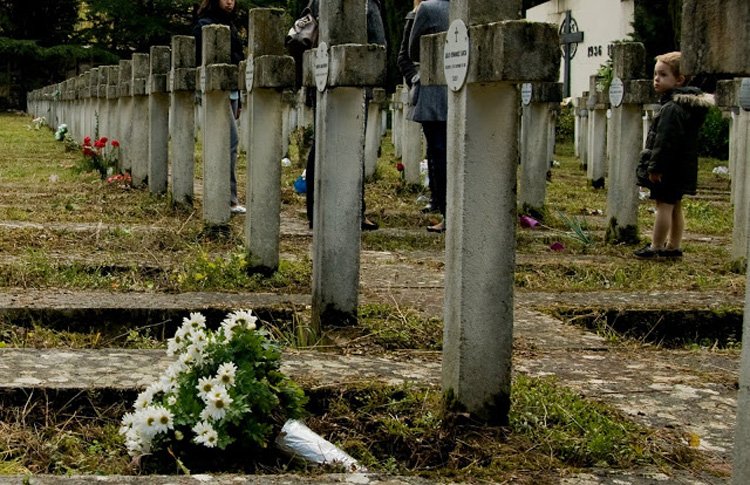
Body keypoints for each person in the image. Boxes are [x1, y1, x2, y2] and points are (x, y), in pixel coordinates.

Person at [301, 0, 385, 231]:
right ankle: (353, 211)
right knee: (351, 147)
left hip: (321, 78)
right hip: (353, 84)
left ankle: (315, 211)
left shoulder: (317, 1)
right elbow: (378, 46)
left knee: (321, 145)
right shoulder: (368, 3)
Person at [634, 51, 713, 259]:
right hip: (680, 167)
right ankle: (673, 247)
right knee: (675, 206)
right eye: (655, 75)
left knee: (664, 206)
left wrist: (656, 167)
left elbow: (665, 143)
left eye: (663, 74)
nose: (656, 79)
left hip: (668, 168)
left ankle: (657, 246)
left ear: (679, 80)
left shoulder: (671, 108)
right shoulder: (686, 106)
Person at [193, 0, 246, 214]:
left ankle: (228, 197)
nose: (230, 1)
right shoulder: (204, 25)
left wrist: (239, 98)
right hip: (216, 93)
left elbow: (238, 63)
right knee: (228, 141)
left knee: (229, 146)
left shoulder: (232, 26)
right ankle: (225, 198)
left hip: (232, 92)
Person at [409, 0, 449, 233]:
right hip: (470, 96)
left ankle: (447, 214)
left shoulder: (429, 9)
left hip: (436, 93)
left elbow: (415, 50)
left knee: (439, 157)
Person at [397, 0, 437, 215]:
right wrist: (417, 79)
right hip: (433, 93)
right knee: (436, 148)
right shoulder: (420, 14)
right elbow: (405, 56)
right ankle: (438, 198)